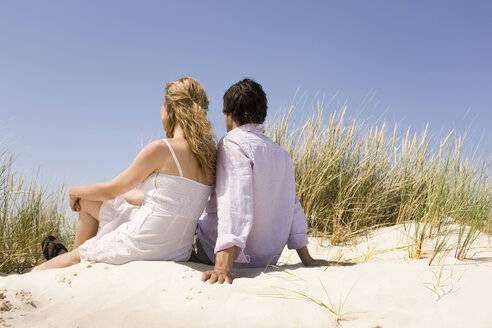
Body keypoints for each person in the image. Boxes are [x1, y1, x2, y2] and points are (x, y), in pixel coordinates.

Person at [31, 77, 217, 272]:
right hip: (177, 250)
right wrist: (87, 195)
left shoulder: (162, 149)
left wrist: (74, 190)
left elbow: (111, 191)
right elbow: (157, 197)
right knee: (87, 202)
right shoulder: (209, 157)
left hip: (141, 244)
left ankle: (67, 260)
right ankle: (76, 254)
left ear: (169, 106)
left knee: (38, 271)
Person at [192, 78, 332, 284]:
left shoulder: (232, 142)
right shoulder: (282, 154)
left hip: (221, 255)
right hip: (266, 259)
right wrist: (307, 259)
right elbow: (292, 206)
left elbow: (235, 201)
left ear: (229, 114)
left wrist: (222, 267)